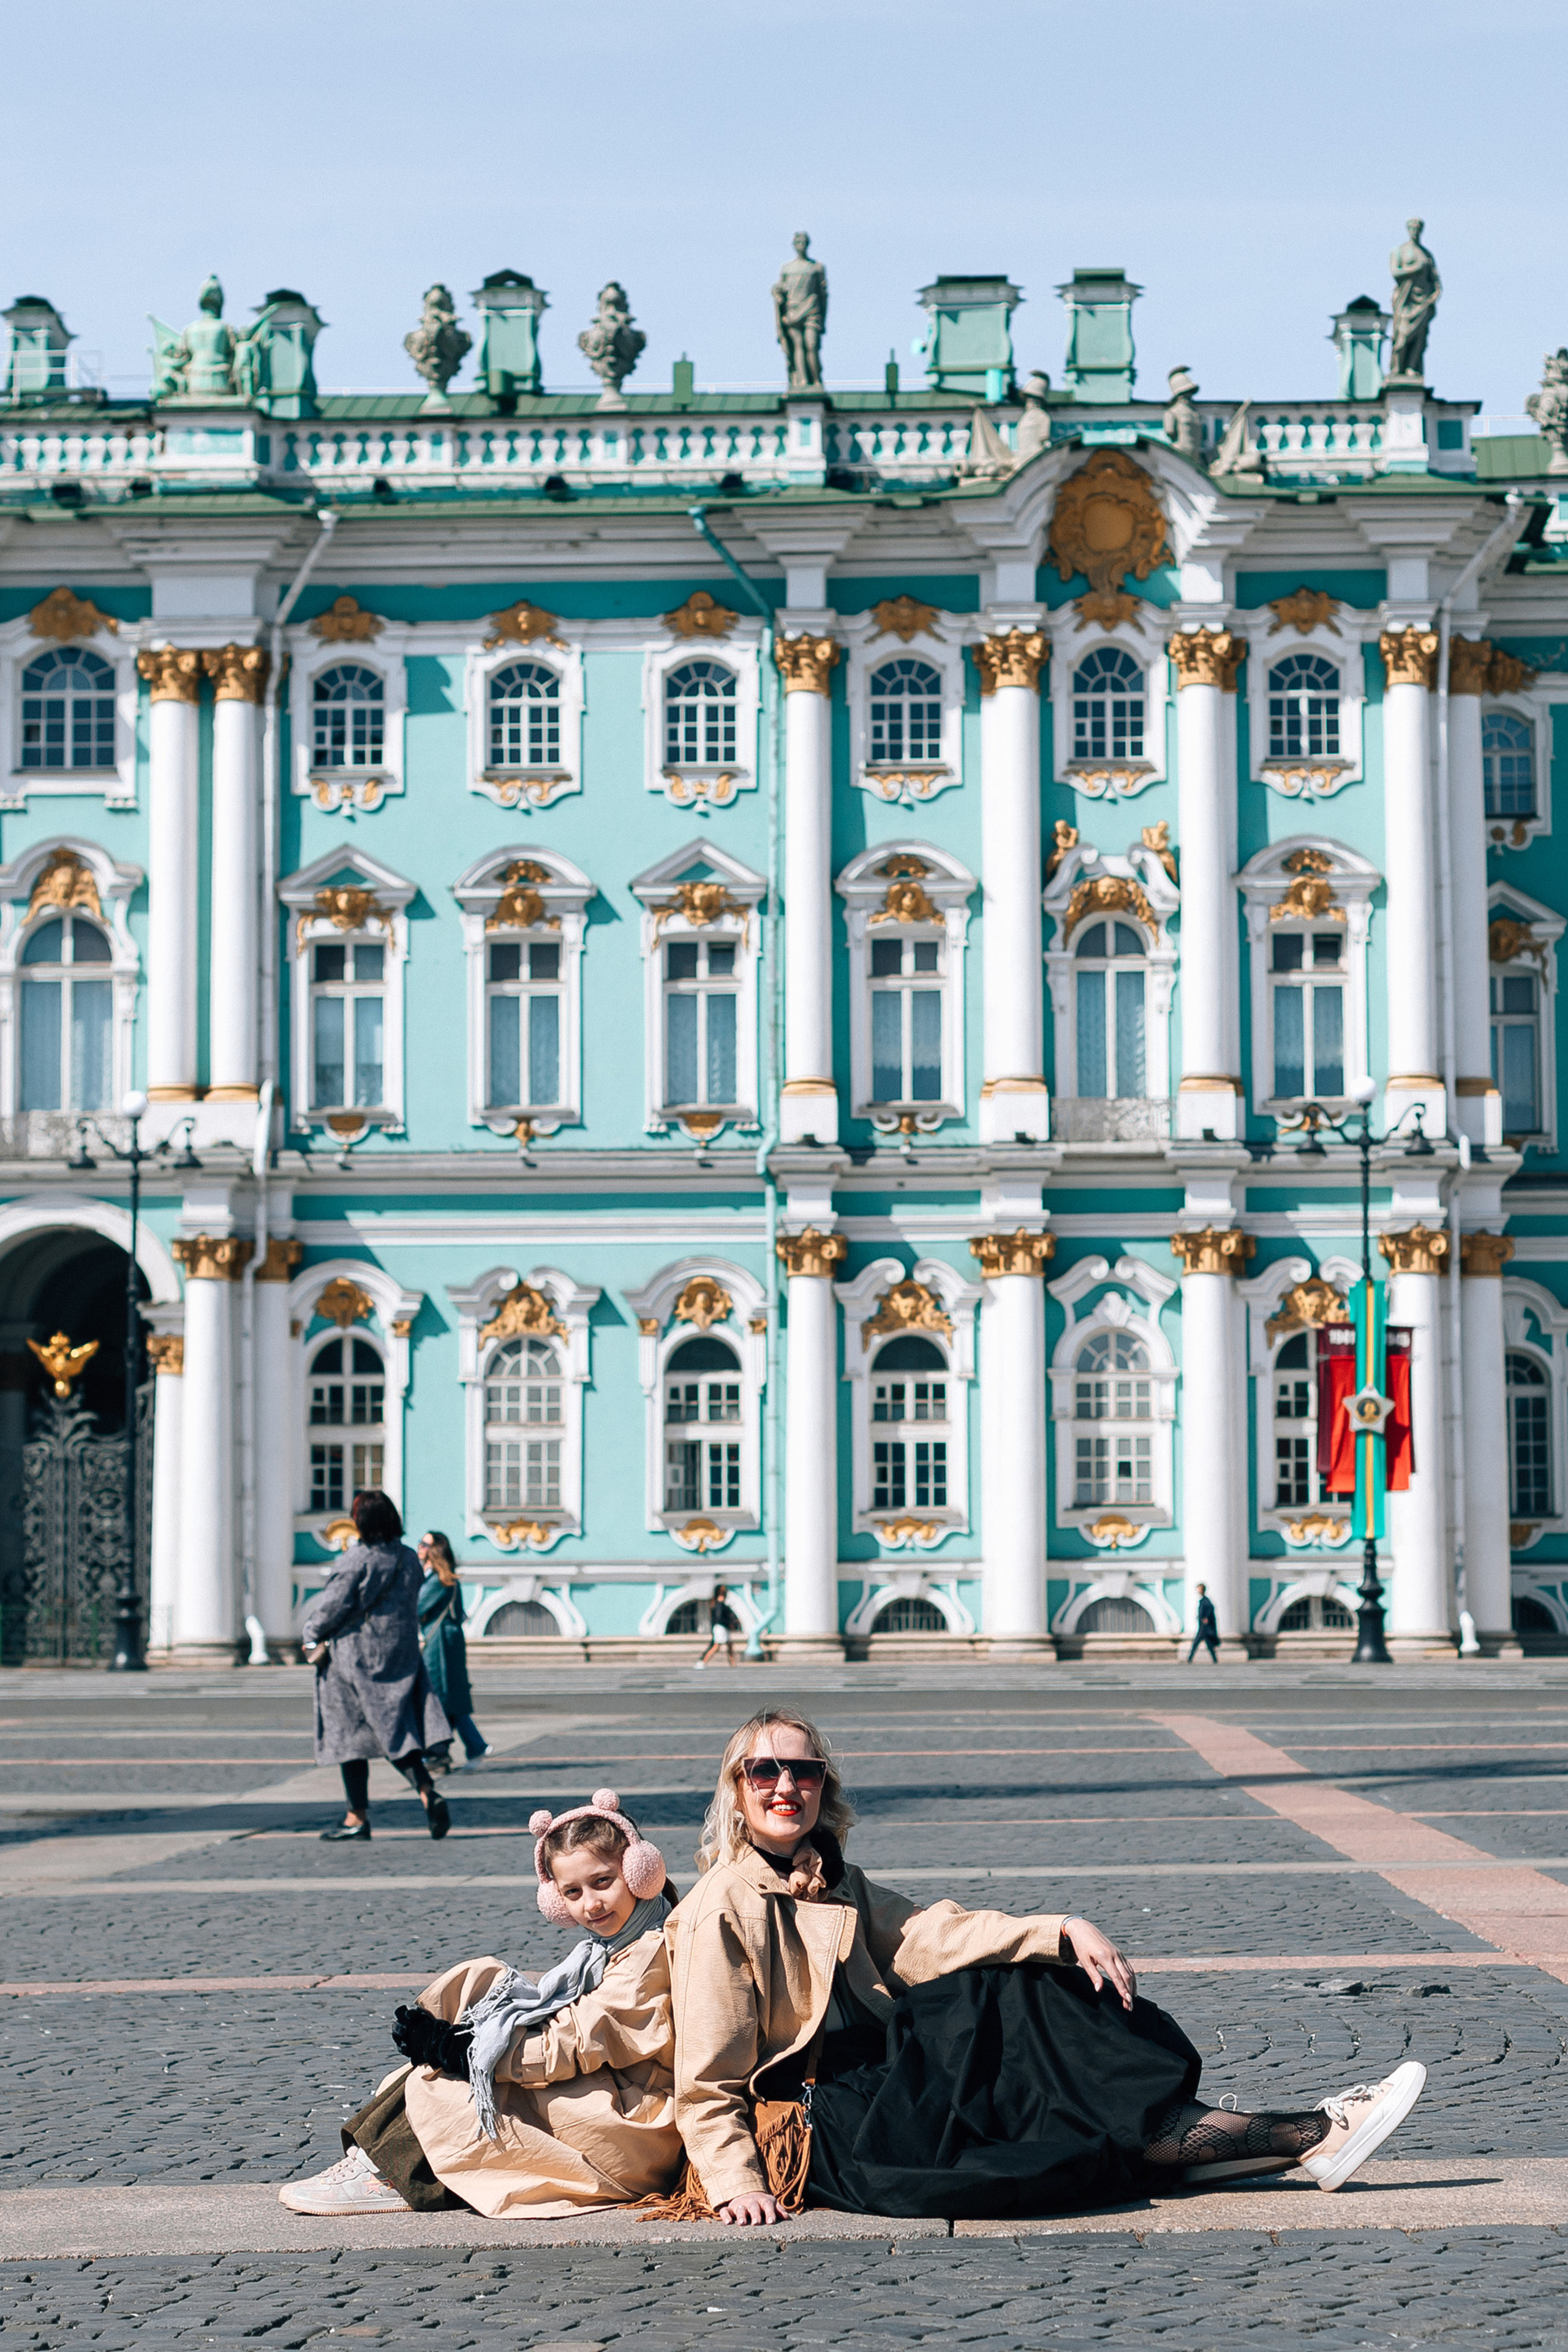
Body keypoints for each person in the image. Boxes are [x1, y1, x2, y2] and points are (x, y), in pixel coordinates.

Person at [660, 1709, 1426, 2223]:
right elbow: (706, 2074)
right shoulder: (720, 1906)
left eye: (805, 1771)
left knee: (1012, 1984)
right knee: (1020, 2090)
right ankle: (1308, 2130)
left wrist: (1060, 1928)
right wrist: (735, 2182)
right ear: (736, 1791)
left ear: (825, 1786)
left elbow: (932, 1936)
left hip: (869, 2077)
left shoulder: (832, 1876)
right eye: (764, 1773)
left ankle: (1280, 2134)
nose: (786, 1787)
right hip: (817, 2119)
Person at [278, 1794, 681, 2217]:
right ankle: (380, 2162)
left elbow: (574, 2042)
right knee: (479, 1988)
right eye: (573, 1892)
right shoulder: (606, 1948)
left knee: (458, 2083)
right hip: (610, 2086)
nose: (591, 1904)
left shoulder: (649, 1954)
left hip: (635, 2124)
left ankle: (397, 2176)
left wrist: (464, 2052)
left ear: (640, 1871)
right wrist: (466, 2040)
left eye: (603, 1882)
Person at [302, 1488, 451, 1842]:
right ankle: (427, 1791)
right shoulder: (408, 1558)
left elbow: (332, 1607)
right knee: (397, 1731)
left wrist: (311, 1634)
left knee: (351, 1738)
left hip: (353, 1656)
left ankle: (357, 1817)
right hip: (399, 1653)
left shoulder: (357, 1561)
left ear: (361, 1522)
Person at [417, 1532, 491, 1773]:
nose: (419, 1547)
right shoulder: (437, 1578)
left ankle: (463, 1747)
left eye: (424, 1544)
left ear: (435, 1550)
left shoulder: (439, 1580)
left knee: (441, 1696)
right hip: (444, 1641)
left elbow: (416, 1607)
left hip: (439, 1645)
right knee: (446, 1698)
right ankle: (442, 1752)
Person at [695, 1583, 737, 1671]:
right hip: (721, 1627)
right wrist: (729, 1623)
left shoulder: (716, 1603)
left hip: (722, 1627)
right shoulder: (720, 1603)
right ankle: (702, 1662)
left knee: (729, 1645)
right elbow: (720, 1618)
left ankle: (733, 1663)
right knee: (716, 1646)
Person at [1187, 1583, 1220, 1665]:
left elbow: (1209, 1610)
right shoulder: (1204, 1601)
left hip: (1204, 1627)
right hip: (1203, 1626)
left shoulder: (1206, 1601)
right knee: (1207, 1645)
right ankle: (1214, 1659)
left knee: (1197, 1643)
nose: (1198, 1591)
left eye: (1199, 1589)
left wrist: (1206, 1618)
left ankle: (1190, 1658)